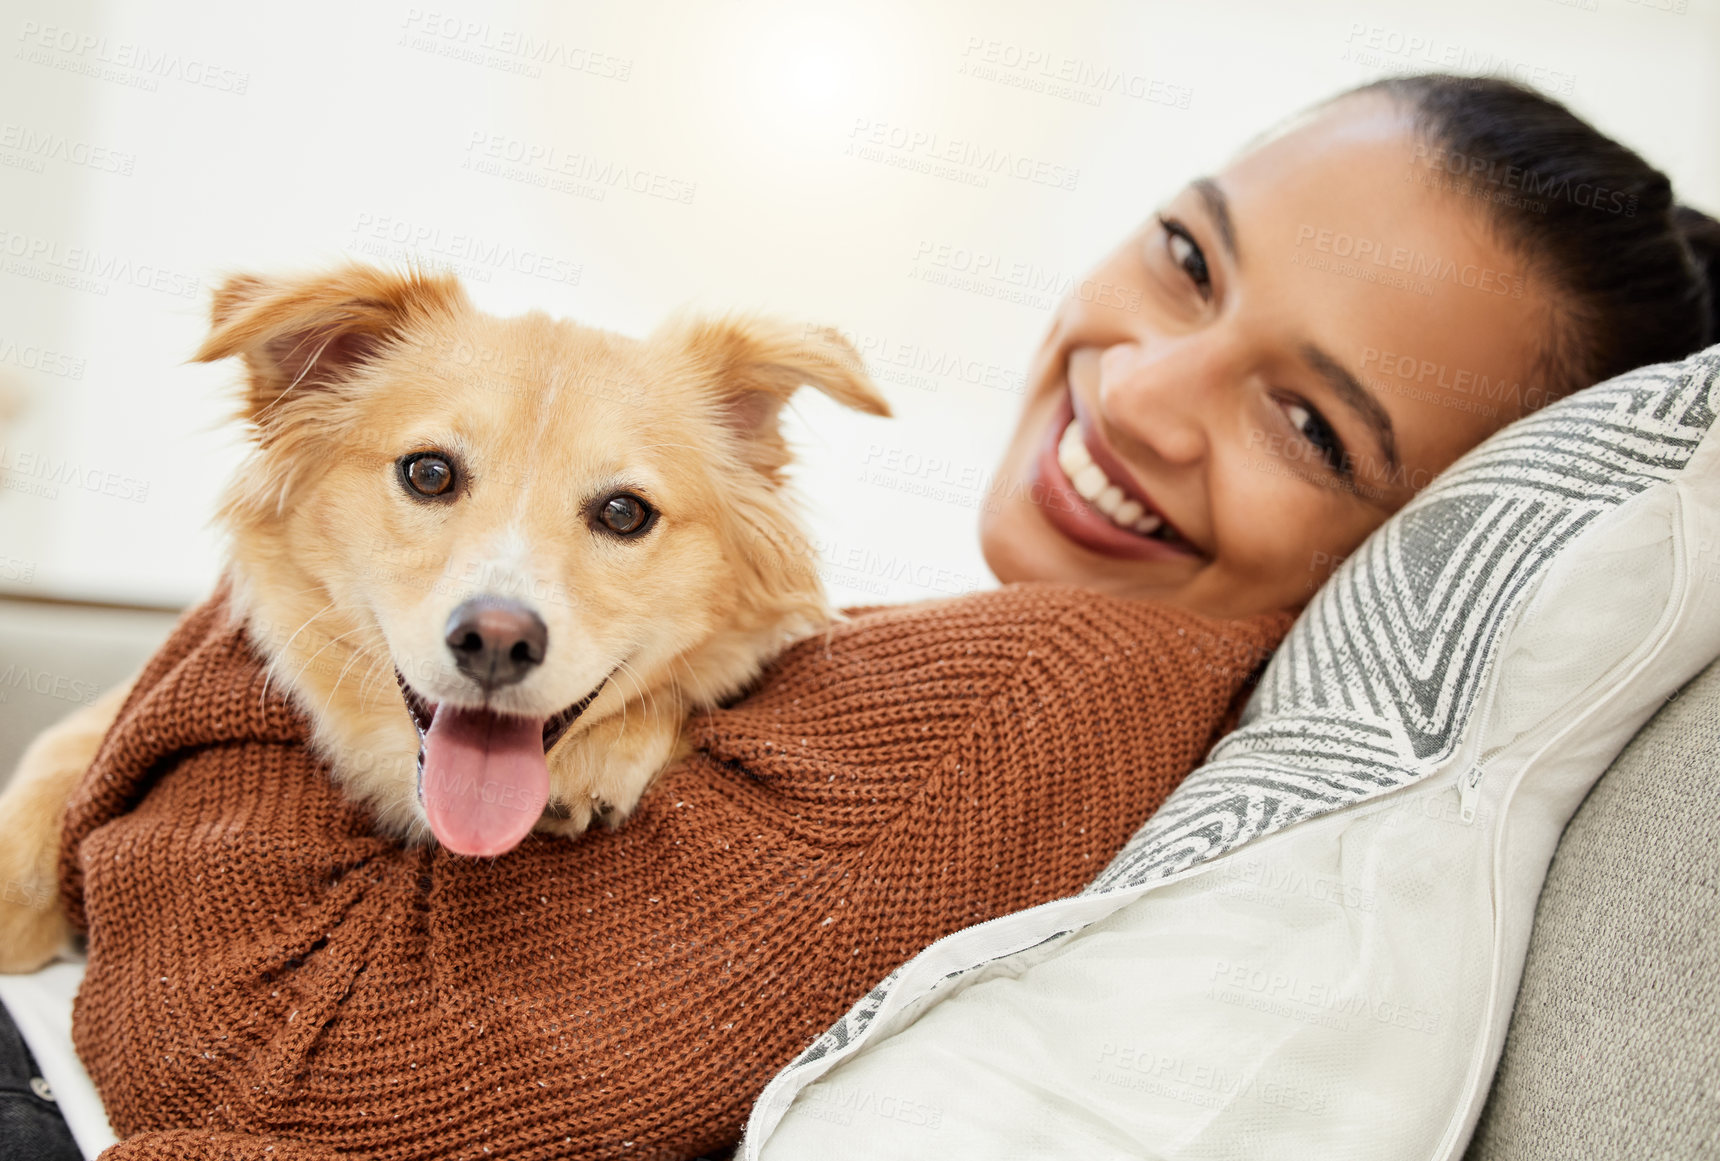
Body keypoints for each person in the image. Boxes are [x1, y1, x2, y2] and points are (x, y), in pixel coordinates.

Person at [18, 74, 1720, 1161]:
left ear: (1428, 532)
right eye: (1191, 261)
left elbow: (258, 1070)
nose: (1142, 392)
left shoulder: (1060, 686)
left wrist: (273, 588)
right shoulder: (947, 651)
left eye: (1313, 424)